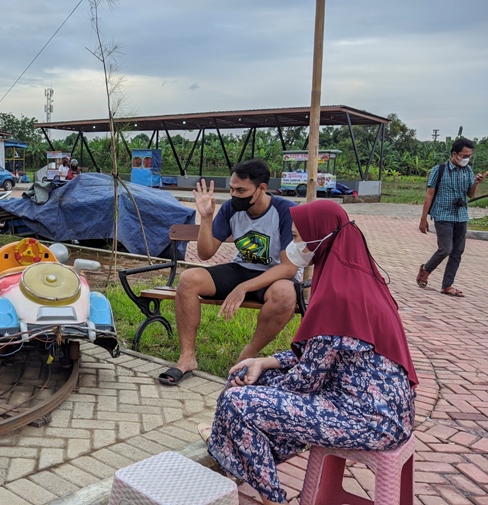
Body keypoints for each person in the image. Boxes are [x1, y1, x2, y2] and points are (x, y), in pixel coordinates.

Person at [202, 199, 417, 505]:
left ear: (322, 238)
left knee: (237, 400)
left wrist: (260, 388)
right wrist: (265, 362)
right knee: (253, 381)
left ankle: (269, 494)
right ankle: (236, 445)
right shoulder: (360, 279)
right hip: (383, 412)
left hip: (368, 419)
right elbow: (322, 355)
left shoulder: (337, 295)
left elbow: (306, 381)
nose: (294, 245)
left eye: (299, 237)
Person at [159, 159, 299, 385]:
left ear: (262, 188)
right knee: (188, 279)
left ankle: (247, 355)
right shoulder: (231, 208)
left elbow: (289, 267)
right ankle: (187, 358)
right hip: (240, 268)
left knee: (285, 293)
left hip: (274, 274)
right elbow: (205, 253)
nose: (234, 195)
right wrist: (206, 218)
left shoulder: (286, 211)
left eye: (241, 190)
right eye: (232, 189)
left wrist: (243, 288)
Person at [417, 137, 483, 297]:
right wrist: (423, 218)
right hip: (443, 215)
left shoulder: (468, 171)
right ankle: (426, 269)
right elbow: (429, 194)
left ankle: (447, 285)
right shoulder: (438, 170)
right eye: (464, 155)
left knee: (457, 252)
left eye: (469, 156)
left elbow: (470, 194)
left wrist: (476, 183)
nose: (466, 159)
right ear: (454, 154)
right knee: (445, 248)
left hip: (461, 216)